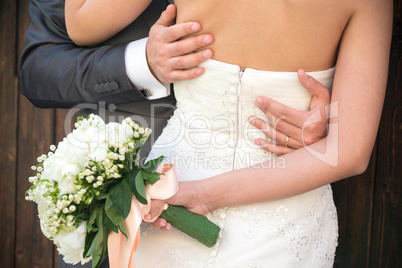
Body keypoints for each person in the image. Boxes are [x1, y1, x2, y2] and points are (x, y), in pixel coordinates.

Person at [19, 0, 337, 267]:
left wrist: (330, 118)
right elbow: (39, 65)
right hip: (117, 199)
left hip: (273, 192)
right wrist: (141, 63)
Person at [139, 1, 391, 267]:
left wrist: (145, 56)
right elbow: (348, 151)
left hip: (167, 193)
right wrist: (201, 194)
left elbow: (88, 25)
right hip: (277, 217)